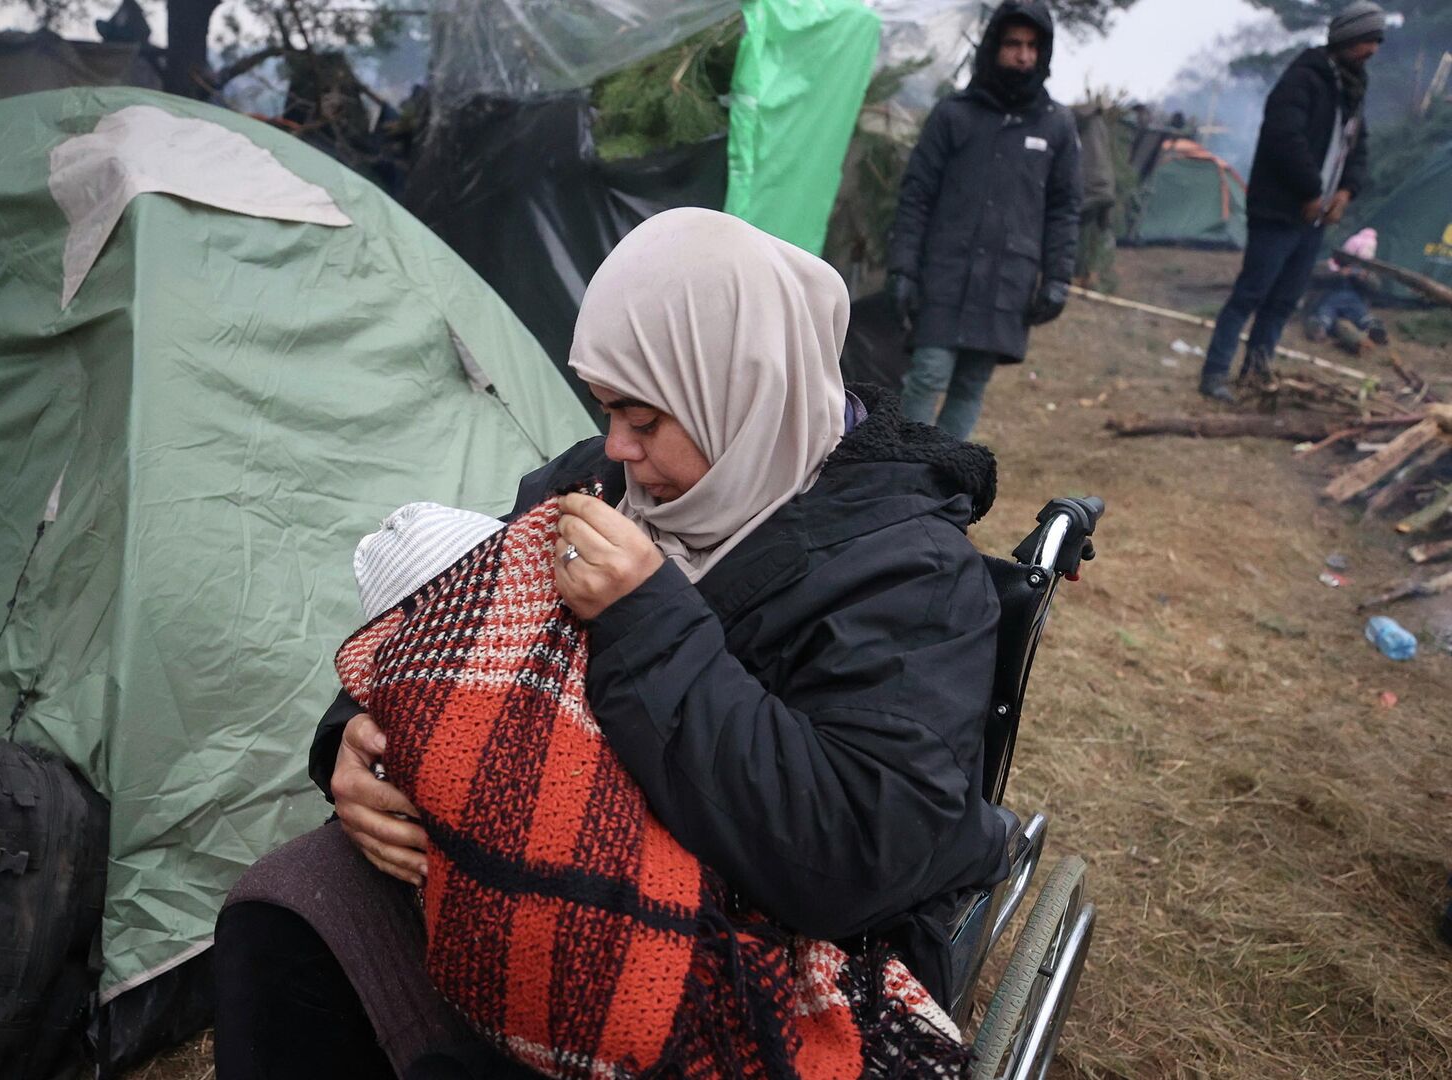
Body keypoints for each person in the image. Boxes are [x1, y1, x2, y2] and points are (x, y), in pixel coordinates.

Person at [212, 209, 1010, 1079]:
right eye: (606, 411)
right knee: (283, 911)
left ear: (742, 389)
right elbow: (447, 618)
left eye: (645, 418)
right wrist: (355, 741)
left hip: (751, 937)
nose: (620, 450)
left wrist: (647, 619)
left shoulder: (910, 575)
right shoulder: (593, 481)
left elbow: (851, 856)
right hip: (524, 862)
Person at [887, 0, 1080, 440]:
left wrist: (1057, 279)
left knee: (971, 384)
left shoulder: (1057, 125)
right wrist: (902, 267)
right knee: (929, 373)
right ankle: (904, 465)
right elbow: (916, 195)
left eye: (1033, 46)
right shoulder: (954, 114)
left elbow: (1065, 209)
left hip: (1008, 279)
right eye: (1014, 43)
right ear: (994, 46)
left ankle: (942, 480)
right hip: (945, 272)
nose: (1024, 55)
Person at [1197, 1, 1386, 402]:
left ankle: (1256, 373)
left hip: (1314, 219)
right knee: (1250, 295)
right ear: (1347, 39)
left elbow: (1358, 148)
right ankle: (1214, 374)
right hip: (1280, 210)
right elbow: (1285, 138)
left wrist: (1346, 192)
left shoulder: (1353, 89)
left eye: (1376, 42)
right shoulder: (1304, 79)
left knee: (1283, 301)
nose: (1372, 50)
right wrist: (1311, 192)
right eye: (1367, 40)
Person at [1304, 227, 1390, 355]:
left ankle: (1374, 329)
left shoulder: (1366, 272)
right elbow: (1314, 274)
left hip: (1354, 302)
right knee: (1325, 314)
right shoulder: (1330, 265)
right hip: (1328, 299)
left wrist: (1365, 278)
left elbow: (1375, 287)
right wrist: (1338, 274)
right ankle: (1318, 327)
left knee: (1361, 314)